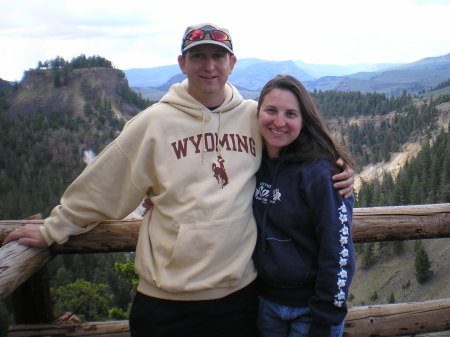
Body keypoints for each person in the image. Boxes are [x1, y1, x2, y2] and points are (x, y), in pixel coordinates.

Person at [2, 24, 354, 337]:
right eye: (198, 56)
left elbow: (296, 145)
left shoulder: (254, 116)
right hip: (167, 299)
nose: (209, 65)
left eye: (218, 55)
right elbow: (104, 184)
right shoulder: (152, 124)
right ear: (182, 64)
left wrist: (338, 170)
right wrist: (54, 229)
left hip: (241, 296)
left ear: (232, 64)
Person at [252, 75, 355, 337]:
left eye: (291, 114)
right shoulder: (250, 161)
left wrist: (326, 315)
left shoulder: (321, 174)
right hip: (264, 304)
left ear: (303, 120)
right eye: (271, 110)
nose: (279, 122)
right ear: (258, 112)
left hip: (311, 312)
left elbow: (338, 250)